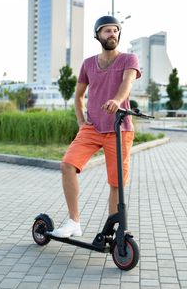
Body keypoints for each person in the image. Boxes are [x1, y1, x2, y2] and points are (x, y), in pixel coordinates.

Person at [51, 15, 141, 238]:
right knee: (67, 165)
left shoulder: (129, 59)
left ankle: (111, 232)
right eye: (107, 31)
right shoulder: (88, 64)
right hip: (92, 128)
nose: (112, 34)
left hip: (119, 128)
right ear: (97, 35)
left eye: (115, 30)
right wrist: (82, 122)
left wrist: (117, 101)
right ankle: (74, 222)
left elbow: (127, 82)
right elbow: (79, 95)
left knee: (116, 183)